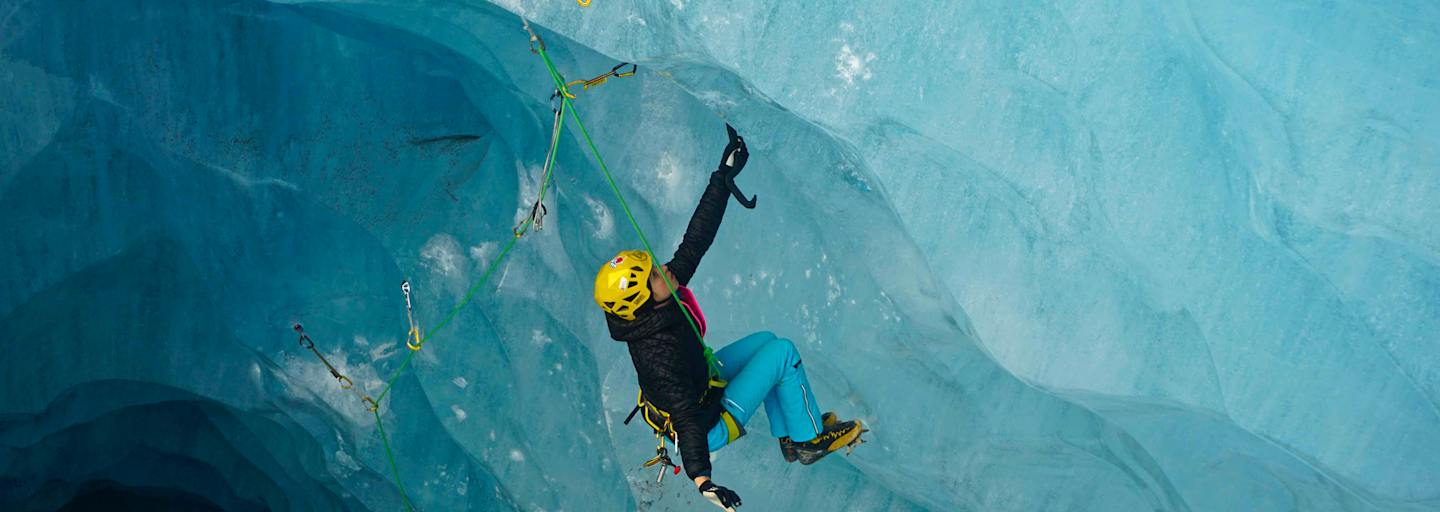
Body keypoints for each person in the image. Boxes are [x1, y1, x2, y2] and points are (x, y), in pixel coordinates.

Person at [594, 125, 865, 511]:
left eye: (654, 265)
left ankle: (788, 436)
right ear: (641, 300)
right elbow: (687, 421)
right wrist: (704, 482)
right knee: (784, 353)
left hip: (706, 382)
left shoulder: (657, 301)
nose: (664, 270)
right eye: (654, 273)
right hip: (710, 422)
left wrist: (721, 179)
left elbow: (694, 243)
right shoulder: (659, 355)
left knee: (767, 341)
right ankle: (807, 440)